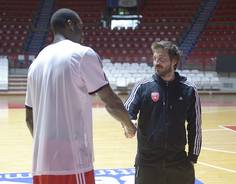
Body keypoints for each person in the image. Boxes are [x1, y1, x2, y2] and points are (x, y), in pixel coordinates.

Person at [25, 8, 136, 184]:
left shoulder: (36, 62)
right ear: (70, 24)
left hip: (41, 165)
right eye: (81, 27)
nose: (83, 34)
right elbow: (110, 101)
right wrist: (129, 125)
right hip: (72, 164)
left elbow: (29, 119)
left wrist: (49, 148)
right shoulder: (82, 54)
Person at [124, 40, 202, 184]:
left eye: (162, 59)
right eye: (155, 58)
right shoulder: (143, 86)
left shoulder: (189, 89)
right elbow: (128, 110)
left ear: (174, 61)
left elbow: (195, 126)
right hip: (147, 163)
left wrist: (192, 157)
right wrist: (129, 123)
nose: (156, 62)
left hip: (178, 163)